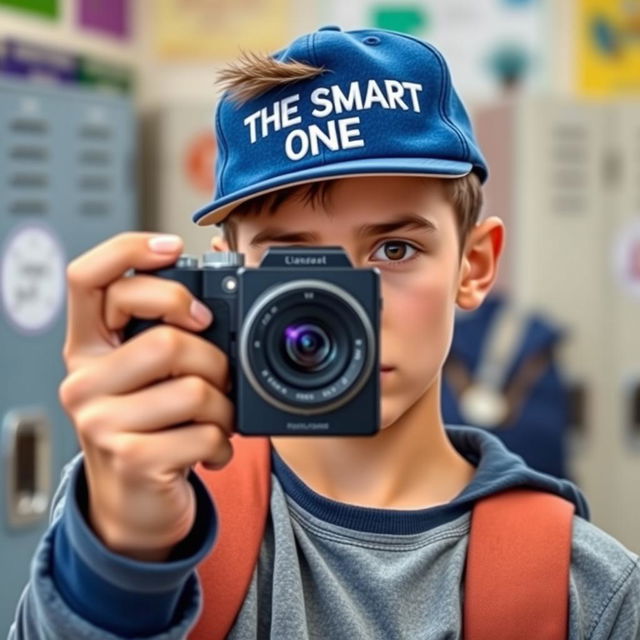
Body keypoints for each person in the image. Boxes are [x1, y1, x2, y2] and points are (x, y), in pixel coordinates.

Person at [9, 26, 639, 640]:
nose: (341, 307)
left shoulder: (587, 591)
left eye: (394, 249)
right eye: (289, 262)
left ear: (472, 266)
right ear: (231, 278)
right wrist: (122, 567)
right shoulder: (147, 506)